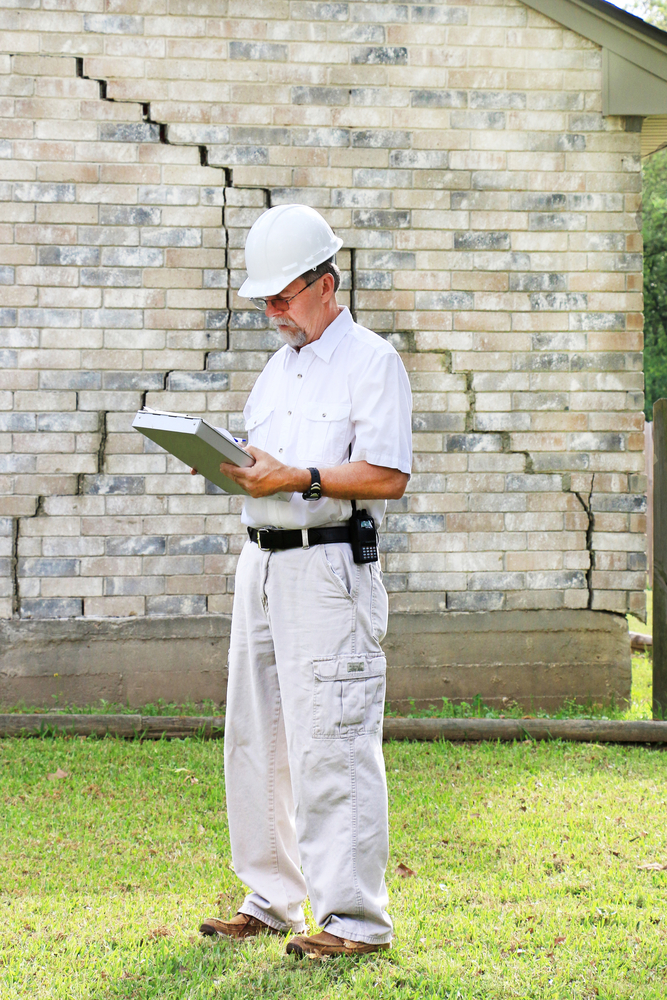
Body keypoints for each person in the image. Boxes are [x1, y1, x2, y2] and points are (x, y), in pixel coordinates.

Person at [196, 204, 412, 959]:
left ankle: (355, 921)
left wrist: (303, 475)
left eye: (283, 296)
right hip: (261, 564)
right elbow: (272, 466)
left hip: (325, 568)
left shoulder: (370, 361)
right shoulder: (278, 365)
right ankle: (273, 897)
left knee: (333, 740)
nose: (273, 312)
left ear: (327, 281)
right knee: (257, 739)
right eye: (264, 301)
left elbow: (386, 474)